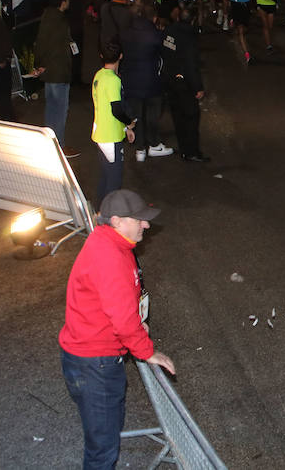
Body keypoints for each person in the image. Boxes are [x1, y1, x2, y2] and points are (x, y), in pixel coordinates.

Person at [59, 189, 176, 470]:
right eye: (139, 220)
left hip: (87, 358)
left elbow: (117, 306)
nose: (146, 225)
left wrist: (136, 322)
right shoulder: (111, 259)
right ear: (117, 221)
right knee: (102, 449)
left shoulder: (107, 243)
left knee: (105, 433)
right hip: (95, 365)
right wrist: (148, 352)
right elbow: (122, 320)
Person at [119, 6, 171, 161]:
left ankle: (140, 149)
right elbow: (164, 54)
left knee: (136, 115)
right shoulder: (155, 35)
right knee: (152, 113)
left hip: (131, 80)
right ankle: (154, 144)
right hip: (151, 80)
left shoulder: (124, 33)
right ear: (154, 18)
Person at [34, 0, 78, 156]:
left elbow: (41, 43)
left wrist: (40, 64)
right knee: (60, 109)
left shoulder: (46, 17)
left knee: (51, 107)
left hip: (48, 71)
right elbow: (61, 46)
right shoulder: (60, 21)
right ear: (62, 2)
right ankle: (59, 145)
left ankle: (50, 142)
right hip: (59, 70)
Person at [161, 5, 208, 162]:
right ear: (193, 20)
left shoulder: (168, 31)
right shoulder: (189, 38)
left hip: (169, 80)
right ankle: (192, 151)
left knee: (178, 116)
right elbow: (190, 65)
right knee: (191, 117)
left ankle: (183, 148)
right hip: (184, 84)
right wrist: (198, 87)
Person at [91, 44, 136, 207]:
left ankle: (99, 212)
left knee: (105, 176)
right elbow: (116, 109)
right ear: (121, 56)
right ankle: (107, 220)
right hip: (110, 137)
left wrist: (125, 129)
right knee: (114, 180)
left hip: (100, 133)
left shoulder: (99, 75)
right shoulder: (113, 80)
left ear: (102, 56)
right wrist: (129, 122)